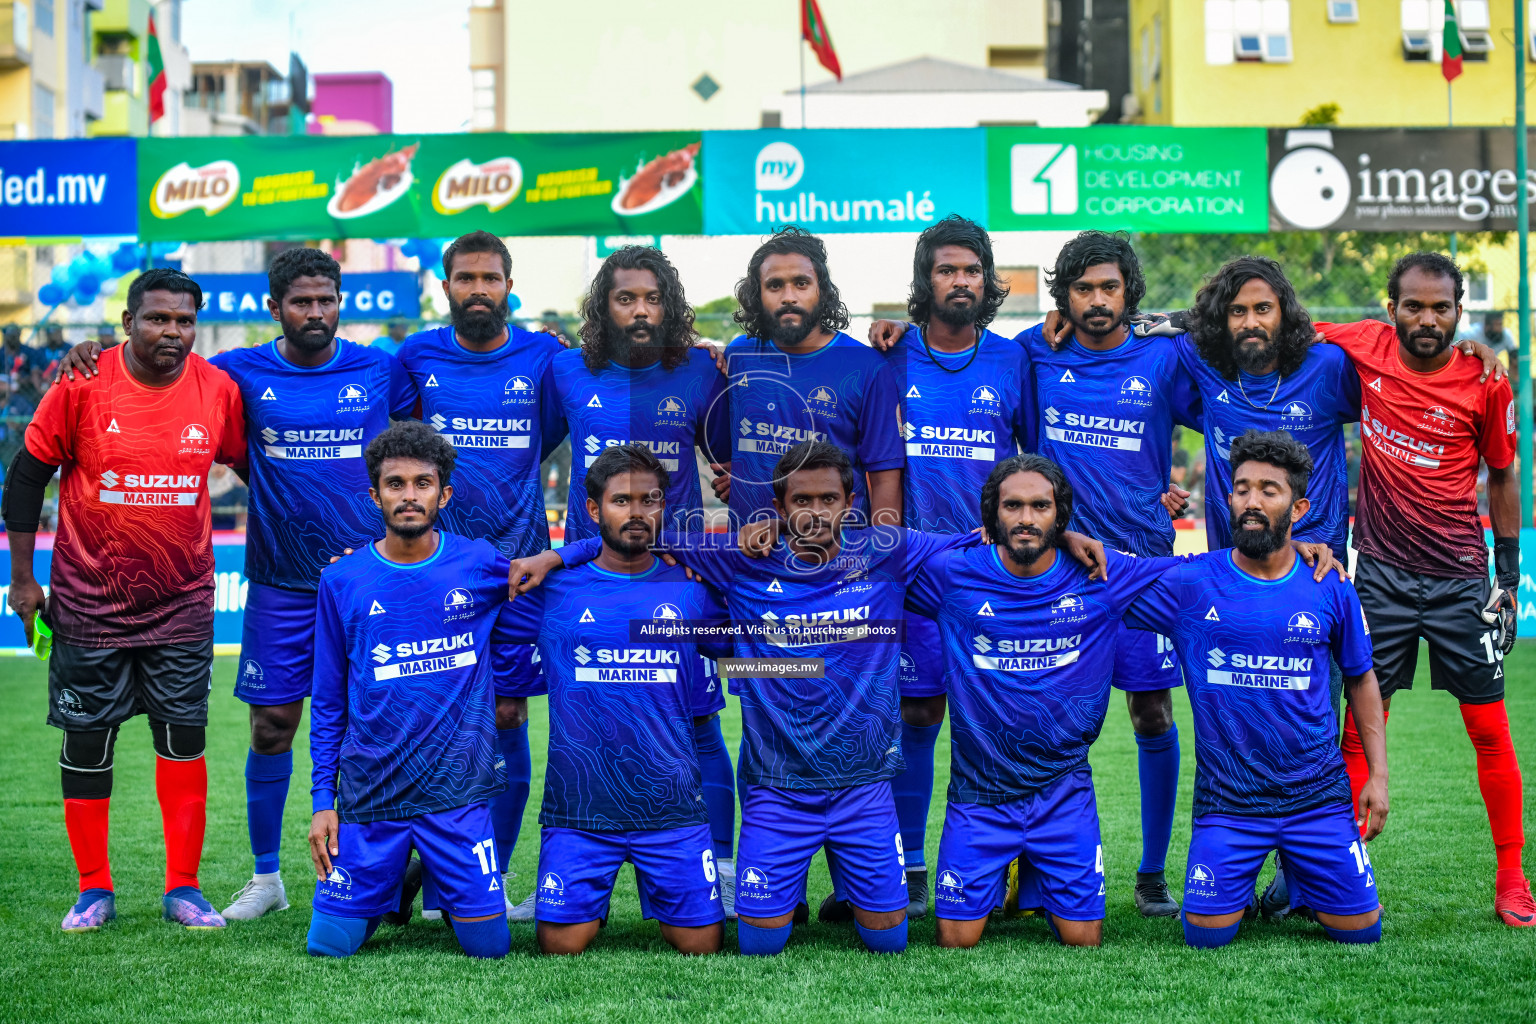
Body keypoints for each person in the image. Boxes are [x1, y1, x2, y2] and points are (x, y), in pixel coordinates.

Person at [1, 268, 245, 932]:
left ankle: (184, 889)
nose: (172, 332)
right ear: (128, 322)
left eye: (184, 321)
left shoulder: (217, 389)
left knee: (183, 742)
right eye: (158, 318)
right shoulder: (81, 382)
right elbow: (26, 476)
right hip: (86, 604)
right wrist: (24, 581)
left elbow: (256, 469)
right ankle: (93, 889)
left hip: (182, 602)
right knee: (87, 746)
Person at [1316, 254, 1535, 928]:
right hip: (1379, 574)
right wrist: (1157, 326)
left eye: (1441, 307)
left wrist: (1505, 572)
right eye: (1414, 306)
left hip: (1460, 581)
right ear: (1392, 309)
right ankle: (1343, 877)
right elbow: (1273, 321)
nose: (1428, 319)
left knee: (1488, 729)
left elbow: (1501, 475)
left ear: (1459, 313)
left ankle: (1511, 876)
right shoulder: (1364, 345)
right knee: (1358, 733)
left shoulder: (1485, 380)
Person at [205, 249, 414, 919]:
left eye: (327, 300)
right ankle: (267, 879)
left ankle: (369, 871)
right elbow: (162, 378)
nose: (316, 312)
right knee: (272, 725)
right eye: (302, 302)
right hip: (278, 582)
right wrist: (89, 357)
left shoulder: (379, 368)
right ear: (275, 308)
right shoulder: (236, 372)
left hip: (365, 583)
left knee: (369, 727)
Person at [1123, 430, 1389, 947]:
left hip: (1317, 798)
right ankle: (1242, 884)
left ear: (1299, 505)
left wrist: (1378, 775)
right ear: (1228, 498)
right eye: (1242, 488)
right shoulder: (1190, 581)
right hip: (1229, 803)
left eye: (1270, 490)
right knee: (1205, 937)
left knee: (1362, 933)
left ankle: (1294, 880)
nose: (1252, 501)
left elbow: (1360, 677)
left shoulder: (1329, 584)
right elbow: (1104, 574)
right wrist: (1062, 535)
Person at [1012, 232, 1201, 918]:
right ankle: (1036, 872)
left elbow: (1223, 400)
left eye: (1109, 288)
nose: (1096, 301)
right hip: (1056, 570)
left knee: (1152, 710)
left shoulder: (1163, 355)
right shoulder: (1035, 351)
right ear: (1064, 295)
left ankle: (1151, 873)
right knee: (1046, 717)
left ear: (1129, 293)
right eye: (1083, 289)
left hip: (1144, 565)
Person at [547, 246, 738, 915]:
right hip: (585, 580)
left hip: (675, 582)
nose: (639, 310)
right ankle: (571, 860)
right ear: (605, 305)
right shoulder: (564, 369)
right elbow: (521, 452)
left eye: (651, 298)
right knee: (580, 722)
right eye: (625, 298)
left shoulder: (701, 372)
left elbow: (735, 463)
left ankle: (723, 866)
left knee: (699, 722)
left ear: (669, 306)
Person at [495, 444, 728, 954]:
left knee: (702, 947)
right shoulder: (549, 589)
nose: (639, 512)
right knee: (560, 947)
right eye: (622, 501)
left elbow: (747, 639)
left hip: (672, 811)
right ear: (595, 510)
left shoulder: (692, 586)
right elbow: (451, 588)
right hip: (581, 810)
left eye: (651, 500)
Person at [397, 231, 566, 920]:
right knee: (432, 721)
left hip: (518, 569)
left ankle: (480, 881)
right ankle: (423, 865)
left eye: (489, 278)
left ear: (508, 284)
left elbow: (557, 427)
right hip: (434, 573)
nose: (477, 290)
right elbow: (400, 455)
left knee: (505, 713)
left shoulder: (544, 355)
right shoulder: (415, 356)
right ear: (446, 286)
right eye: (465, 278)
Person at [306, 421, 513, 960]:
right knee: (330, 947)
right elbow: (329, 702)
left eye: (422, 483)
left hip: (457, 794)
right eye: (395, 484)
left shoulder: (480, 563)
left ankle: (422, 868)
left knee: (488, 948)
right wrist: (321, 804)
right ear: (375, 494)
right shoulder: (342, 579)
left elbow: (572, 573)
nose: (409, 496)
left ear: (443, 494)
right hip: (371, 794)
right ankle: (391, 878)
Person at [875, 216, 1031, 920]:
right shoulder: (889, 355)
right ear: (924, 280)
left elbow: (1040, 463)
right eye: (946, 270)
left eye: (971, 270)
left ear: (987, 281)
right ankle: (908, 867)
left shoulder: (1013, 360)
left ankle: (1014, 867)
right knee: (917, 714)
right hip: (913, 573)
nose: (960, 281)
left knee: (1004, 721)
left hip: (998, 575)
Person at [719, 227, 904, 529]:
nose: (789, 296)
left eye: (801, 283)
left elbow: (885, 477)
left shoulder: (866, 366)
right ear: (758, 294)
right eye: (775, 285)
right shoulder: (739, 356)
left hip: (836, 559)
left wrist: (883, 554)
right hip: (748, 558)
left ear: (823, 291)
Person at [1460, 312, 1514, 378]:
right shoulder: (1470, 334)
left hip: (1495, 369)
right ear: (1487, 326)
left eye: (1501, 324)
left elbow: (1513, 355)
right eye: (1497, 324)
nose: (1500, 329)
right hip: (1472, 369)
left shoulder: (1505, 334)